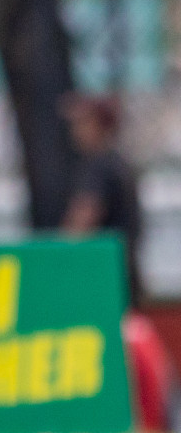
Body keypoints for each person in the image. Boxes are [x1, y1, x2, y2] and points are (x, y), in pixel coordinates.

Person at [61, 93, 144, 307]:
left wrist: (54, 262)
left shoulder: (98, 167)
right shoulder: (120, 163)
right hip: (125, 277)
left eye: (82, 123)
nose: (74, 131)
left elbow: (82, 223)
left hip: (102, 281)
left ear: (100, 126)